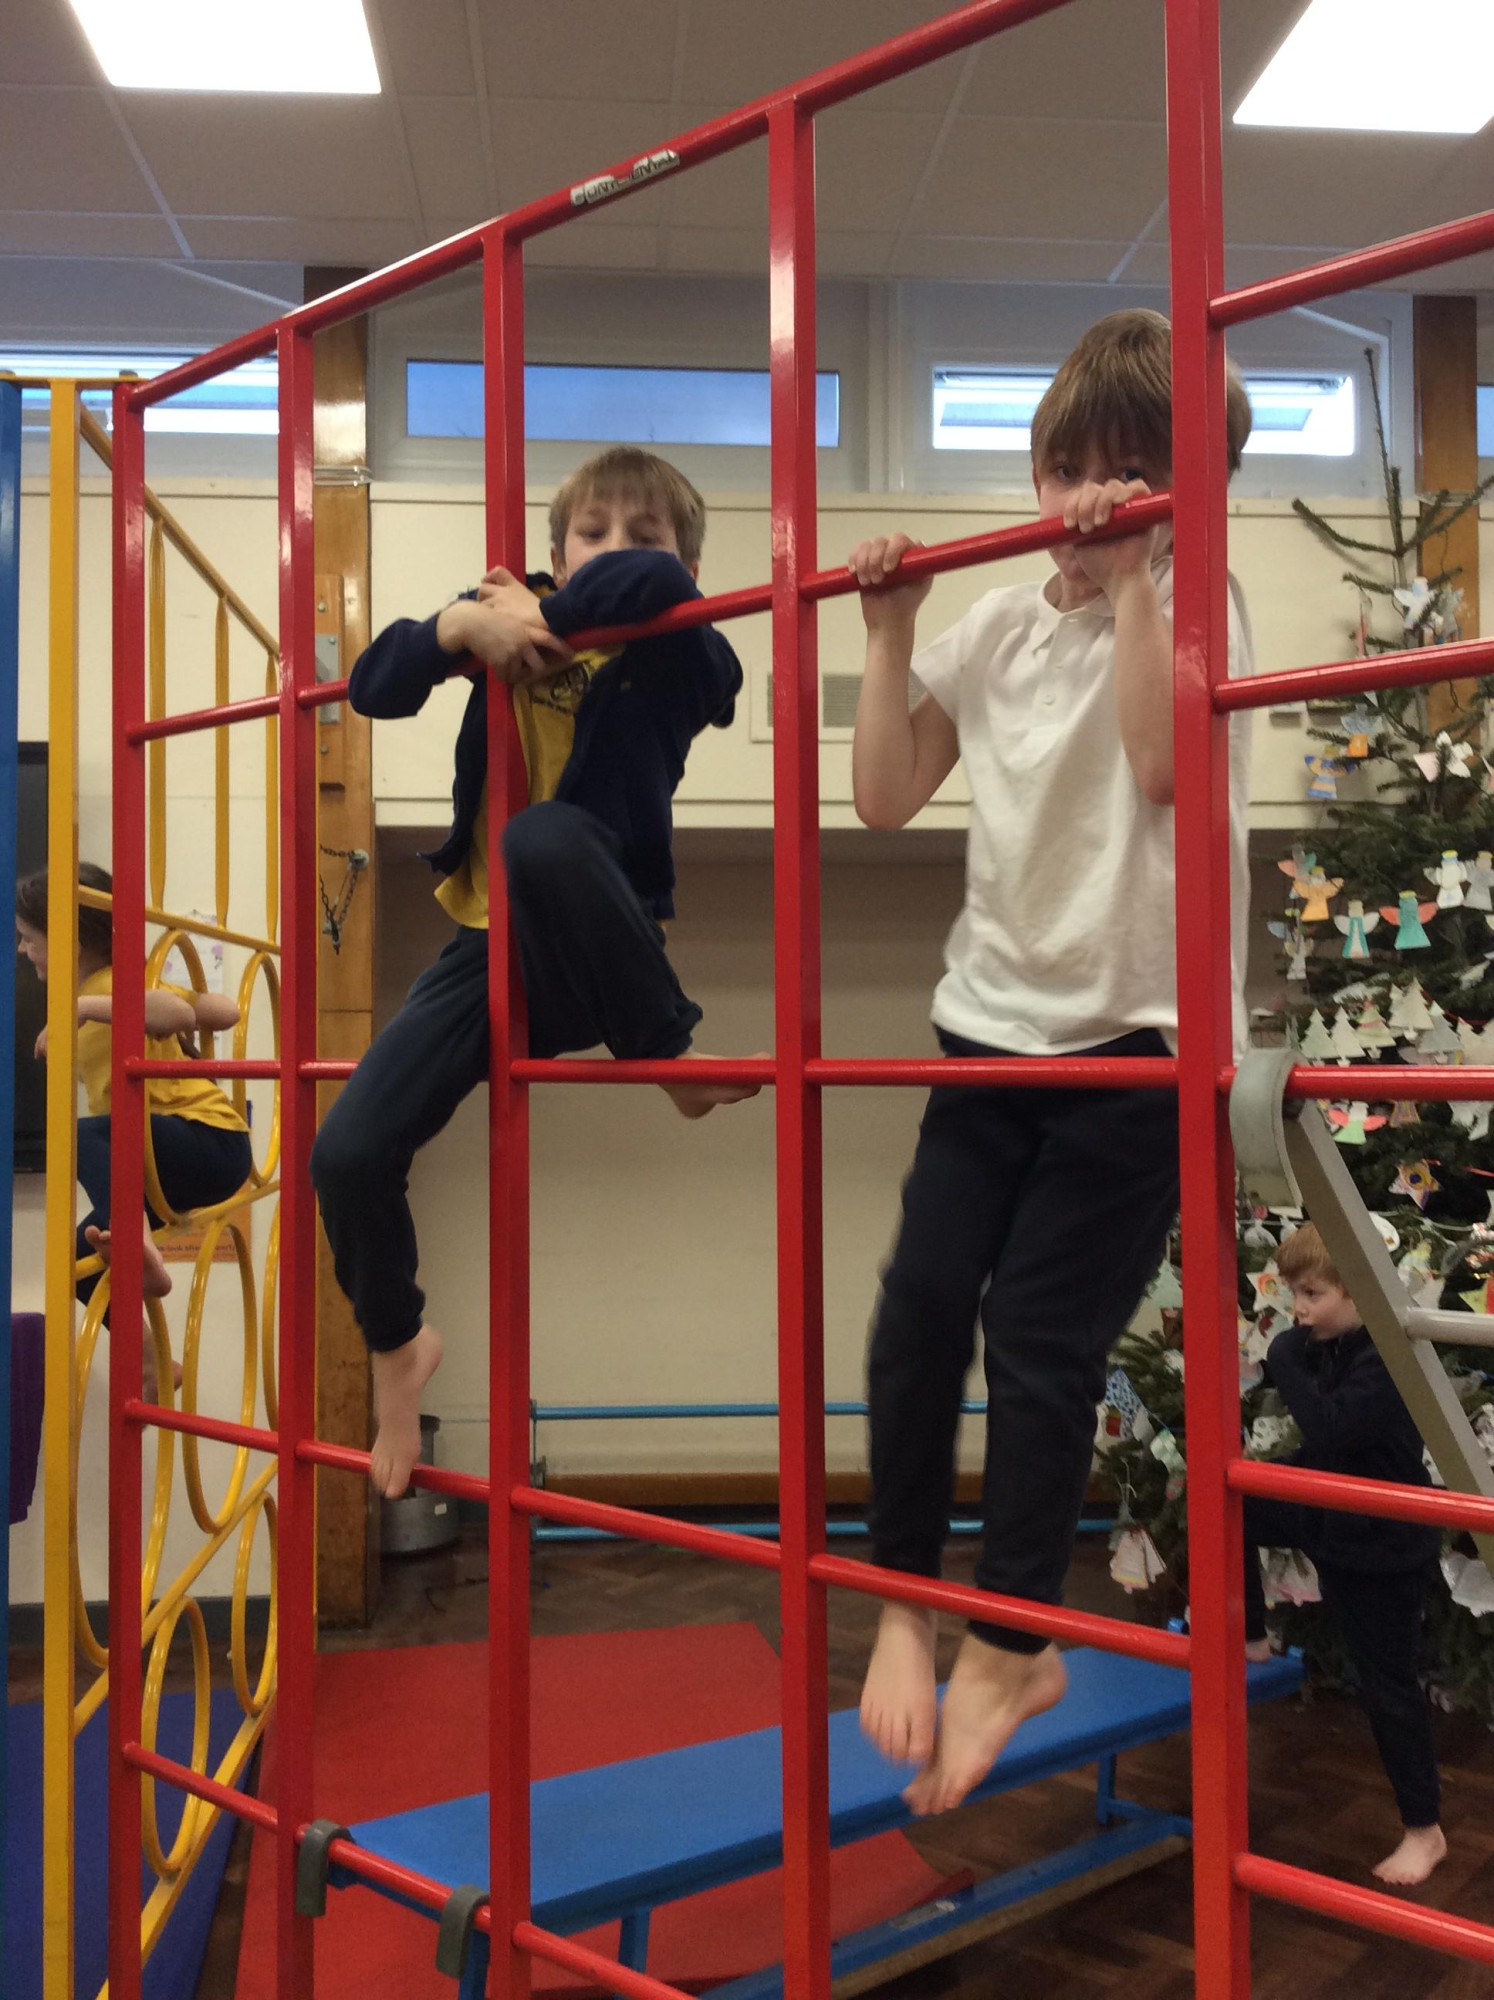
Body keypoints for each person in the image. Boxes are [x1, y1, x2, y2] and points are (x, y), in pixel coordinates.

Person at [847, 308, 1255, 1816]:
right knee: (914, 1314)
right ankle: (904, 1597)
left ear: (1183, 495)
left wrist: (1140, 575)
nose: (1089, 501)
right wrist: (890, 634)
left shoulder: (1198, 604)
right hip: (987, 1032)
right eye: (1068, 470)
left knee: (1035, 1340)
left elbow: (1158, 765)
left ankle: (1012, 1642)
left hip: (1132, 1047)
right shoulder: (999, 629)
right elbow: (883, 794)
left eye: (1130, 476)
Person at [310, 445, 761, 1500]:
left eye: (641, 532)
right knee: (347, 1151)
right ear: (554, 551)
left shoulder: (681, 651)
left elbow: (660, 590)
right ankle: (398, 1344)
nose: (616, 551)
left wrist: (542, 615)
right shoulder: (501, 619)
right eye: (590, 534)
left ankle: (667, 1054)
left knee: (542, 836)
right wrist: (462, 628)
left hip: (599, 939)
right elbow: (370, 686)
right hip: (487, 948)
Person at [1243, 1222, 1445, 1887]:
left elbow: (1331, 1429)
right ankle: (1250, 1636)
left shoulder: (1386, 1356)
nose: (1297, 1309)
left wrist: (1283, 1358)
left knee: (1387, 1688)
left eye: (1312, 1294)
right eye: (1294, 1293)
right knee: (1228, 1503)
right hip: (1330, 1510)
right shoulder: (1334, 1343)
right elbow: (1325, 1451)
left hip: (1381, 1541)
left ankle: (1425, 1830)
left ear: (1357, 1292)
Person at [17, 863, 252, 1373]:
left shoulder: (111, 987)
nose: (21, 949)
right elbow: (220, 1012)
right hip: (156, 1160)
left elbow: (200, 1013)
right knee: (79, 1260)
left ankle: (134, 1240)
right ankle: (153, 1363)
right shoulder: (110, 992)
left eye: (29, 938)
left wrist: (87, 1006)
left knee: (77, 1135)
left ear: (69, 941)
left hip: (208, 1140)